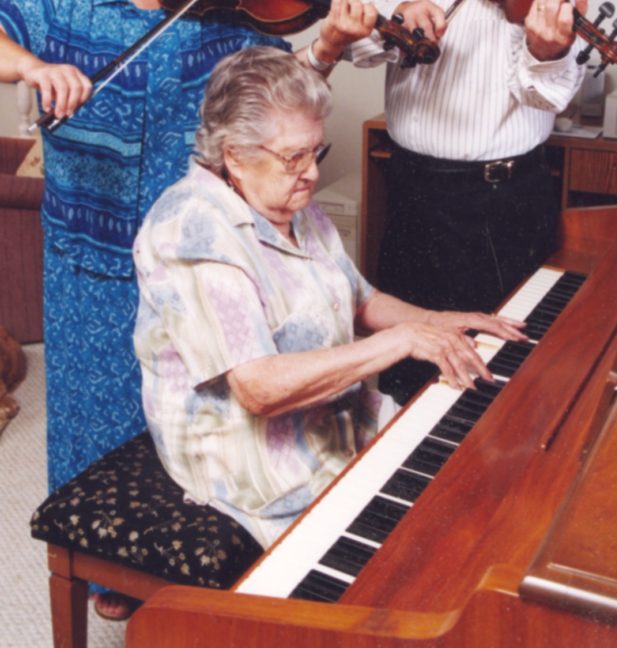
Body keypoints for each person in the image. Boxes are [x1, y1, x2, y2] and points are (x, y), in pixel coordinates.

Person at [0, 0, 371, 619]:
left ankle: (190, 578)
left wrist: (333, 46)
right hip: (88, 258)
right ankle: (104, 572)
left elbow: (278, 88)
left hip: (195, 256)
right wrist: (31, 64)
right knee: (93, 417)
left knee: (204, 415)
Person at [133, 47, 524, 548]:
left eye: (315, 151)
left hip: (332, 418)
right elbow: (258, 388)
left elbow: (358, 299)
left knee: (475, 476)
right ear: (233, 153)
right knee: (423, 544)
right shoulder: (191, 231)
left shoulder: (292, 204)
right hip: (247, 454)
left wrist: (438, 321)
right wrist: (399, 342)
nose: (312, 172)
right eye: (293, 156)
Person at [306, 0, 589, 404]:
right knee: (410, 366)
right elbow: (355, 47)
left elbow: (547, 94)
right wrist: (393, 21)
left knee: (498, 377)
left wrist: (545, 50)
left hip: (501, 201)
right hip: (412, 192)